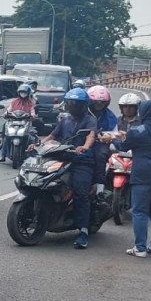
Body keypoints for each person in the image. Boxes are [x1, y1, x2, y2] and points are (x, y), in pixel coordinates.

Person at [102, 100, 151, 258]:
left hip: (143, 175)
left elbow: (123, 146)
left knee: (140, 211)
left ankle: (140, 248)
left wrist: (110, 139)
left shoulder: (138, 131)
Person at [38, 87, 97, 248]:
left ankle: (83, 231)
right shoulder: (64, 120)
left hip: (81, 161)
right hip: (62, 157)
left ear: (84, 105)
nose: (73, 106)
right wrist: (39, 143)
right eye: (71, 103)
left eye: (77, 104)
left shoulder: (90, 120)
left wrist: (84, 147)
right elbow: (52, 136)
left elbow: (91, 136)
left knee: (80, 193)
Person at [0, 83, 37, 163]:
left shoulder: (30, 103)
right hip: (13, 121)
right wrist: (4, 114)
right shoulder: (14, 101)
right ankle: (3, 155)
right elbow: (9, 109)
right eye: (21, 92)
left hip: (25, 122)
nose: (23, 94)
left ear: (28, 93)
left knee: (31, 137)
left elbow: (32, 111)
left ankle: (32, 156)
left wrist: (33, 116)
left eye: (24, 92)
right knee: (7, 136)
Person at [88, 85, 117, 193]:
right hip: (81, 142)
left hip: (100, 144)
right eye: (96, 102)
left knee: (100, 156)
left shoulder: (110, 117)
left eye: (102, 102)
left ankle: (100, 189)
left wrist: (106, 137)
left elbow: (114, 134)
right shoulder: (82, 113)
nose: (99, 105)